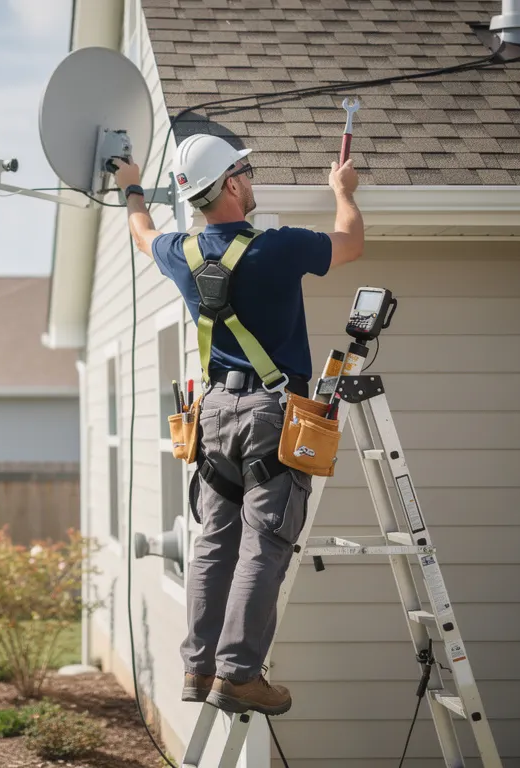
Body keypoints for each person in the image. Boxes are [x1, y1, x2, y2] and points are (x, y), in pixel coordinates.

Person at [112, 134, 363, 716]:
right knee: (264, 544)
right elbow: (351, 243)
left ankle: (199, 669)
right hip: (272, 416)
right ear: (229, 183)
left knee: (215, 545)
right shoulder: (276, 249)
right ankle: (239, 674)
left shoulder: (182, 252)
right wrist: (341, 191)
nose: (251, 180)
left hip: (215, 416)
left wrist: (130, 184)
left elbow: (142, 232)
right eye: (245, 172)